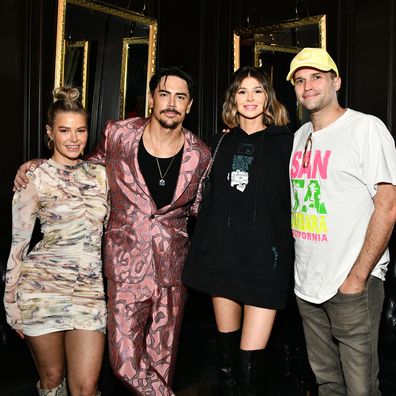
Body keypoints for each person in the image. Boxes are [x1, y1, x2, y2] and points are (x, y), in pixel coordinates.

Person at [14, 66, 211, 395]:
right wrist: (39, 165)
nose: (172, 103)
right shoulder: (118, 134)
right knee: (124, 363)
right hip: (124, 268)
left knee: (161, 367)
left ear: (189, 106)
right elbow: (85, 166)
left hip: (173, 273)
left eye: (181, 97)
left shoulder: (200, 154)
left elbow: (199, 209)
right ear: (151, 99)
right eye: (164, 94)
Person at [286, 47, 396, 395]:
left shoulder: (365, 129)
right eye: (300, 80)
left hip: (351, 285)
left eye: (316, 77)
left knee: (361, 388)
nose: (308, 87)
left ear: (336, 81)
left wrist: (358, 277)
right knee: (328, 383)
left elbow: (388, 206)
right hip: (307, 284)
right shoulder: (299, 136)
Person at [182, 65, 294, 395]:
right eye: (242, 91)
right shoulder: (221, 142)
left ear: (268, 97)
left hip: (264, 264)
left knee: (250, 366)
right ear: (233, 98)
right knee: (227, 362)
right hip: (224, 258)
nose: (250, 98)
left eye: (257, 90)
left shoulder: (286, 142)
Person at [5, 87, 109, 396]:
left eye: (80, 130)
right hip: (41, 292)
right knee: (52, 381)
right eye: (65, 130)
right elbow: (18, 245)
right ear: (50, 133)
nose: (74, 138)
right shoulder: (33, 179)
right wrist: (10, 306)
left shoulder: (102, 175)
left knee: (86, 387)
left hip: (89, 292)